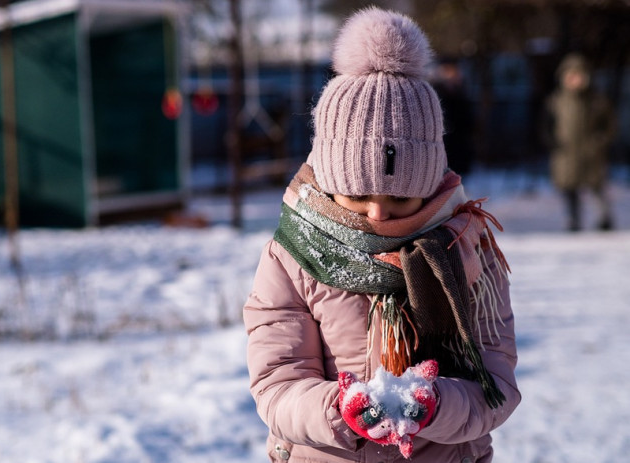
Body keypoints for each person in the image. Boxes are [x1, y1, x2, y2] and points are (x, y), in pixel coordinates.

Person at [243, 8, 520, 463]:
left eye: (400, 199)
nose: (377, 213)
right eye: (357, 195)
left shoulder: (468, 247)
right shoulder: (290, 255)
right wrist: (337, 411)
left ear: (430, 185)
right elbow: (278, 382)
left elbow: (496, 386)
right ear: (330, 181)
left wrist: (435, 406)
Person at [542, 53, 617, 231]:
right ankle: (573, 220)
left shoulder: (597, 101)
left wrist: (600, 141)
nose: (575, 80)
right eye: (571, 76)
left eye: (579, 76)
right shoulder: (556, 101)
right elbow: (545, 126)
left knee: (597, 187)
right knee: (569, 189)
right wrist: (553, 142)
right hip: (566, 154)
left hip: (591, 152)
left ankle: (605, 218)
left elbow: (610, 125)